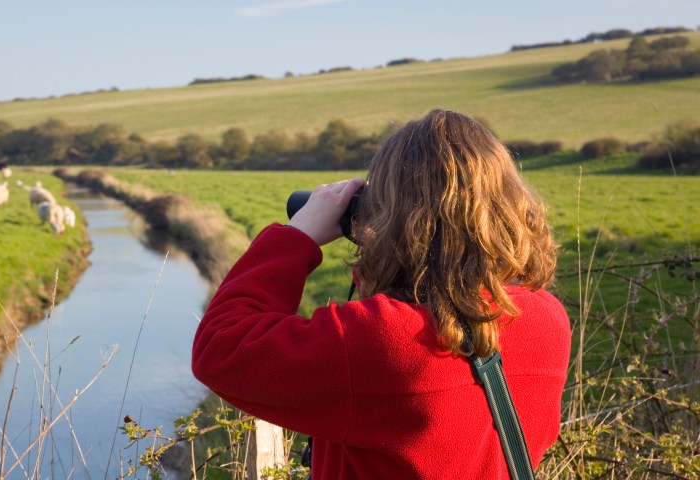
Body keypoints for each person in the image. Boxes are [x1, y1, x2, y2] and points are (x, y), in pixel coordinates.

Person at [191, 109, 571, 479]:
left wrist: (298, 235)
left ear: (389, 218)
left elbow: (220, 347)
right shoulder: (547, 319)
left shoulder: (384, 339)